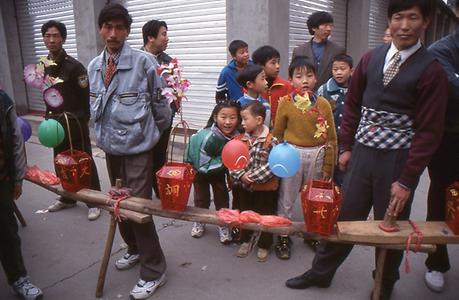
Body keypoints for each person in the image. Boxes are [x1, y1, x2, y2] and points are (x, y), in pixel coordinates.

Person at [284, 1, 449, 299]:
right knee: (345, 218)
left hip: (398, 161)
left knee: (392, 227)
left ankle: (384, 283)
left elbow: (429, 132)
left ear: (424, 22)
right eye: (398, 17)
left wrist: (407, 180)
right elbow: (353, 107)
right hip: (361, 155)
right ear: (390, 20)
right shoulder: (371, 58)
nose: (405, 25)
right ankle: (321, 272)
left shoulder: (431, 71)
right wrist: (346, 147)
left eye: (413, 17)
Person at [88, 4, 171, 299]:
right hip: (110, 147)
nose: (113, 34)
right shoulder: (94, 66)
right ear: (100, 29)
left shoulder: (144, 62)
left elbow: (163, 107)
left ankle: (154, 270)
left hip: (138, 148)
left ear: (127, 30)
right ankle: (135, 249)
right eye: (107, 27)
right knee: (118, 205)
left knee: (137, 208)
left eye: (119, 27)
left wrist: (150, 137)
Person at [273, 57, 337, 260]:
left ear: (316, 78)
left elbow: (332, 138)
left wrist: (328, 165)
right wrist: (277, 161)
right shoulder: (285, 103)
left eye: (309, 75)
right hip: (291, 153)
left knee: (314, 197)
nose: (305, 80)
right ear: (291, 80)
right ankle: (284, 234)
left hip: (317, 153)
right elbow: (278, 133)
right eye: (299, 76)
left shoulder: (324, 104)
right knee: (287, 196)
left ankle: (312, 232)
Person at [42, 20, 102, 221]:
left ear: (63, 38)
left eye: (56, 35)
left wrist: (81, 122)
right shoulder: (44, 66)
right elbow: (47, 94)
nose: (52, 40)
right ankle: (67, 197)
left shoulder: (75, 67)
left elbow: (85, 98)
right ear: (44, 39)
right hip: (55, 124)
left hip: (75, 123)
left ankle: (94, 201)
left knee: (83, 160)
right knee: (60, 161)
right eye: (48, 36)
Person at [423, 26, 459, 293]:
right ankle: (436, 261)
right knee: (442, 197)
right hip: (449, 139)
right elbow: (452, 89)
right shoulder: (441, 50)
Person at [0, 90, 43, 299]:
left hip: (1, 181)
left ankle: (19, 279)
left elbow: (16, 140)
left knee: (7, 234)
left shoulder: (3, 100)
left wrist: (18, 178)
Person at [230, 101, 279, 262]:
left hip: (265, 189)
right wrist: (240, 175)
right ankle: (246, 239)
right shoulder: (239, 139)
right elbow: (231, 160)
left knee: (265, 216)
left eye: (245, 119)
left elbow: (274, 165)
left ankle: (264, 244)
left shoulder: (272, 141)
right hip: (245, 187)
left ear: (258, 120)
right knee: (245, 214)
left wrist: (252, 177)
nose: (241, 123)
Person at [185, 100, 240, 244]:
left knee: (222, 199)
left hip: (218, 173)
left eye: (232, 118)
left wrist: (229, 174)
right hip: (200, 171)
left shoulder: (236, 137)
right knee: (200, 198)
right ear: (215, 117)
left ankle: (223, 224)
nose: (228, 122)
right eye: (223, 117)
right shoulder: (205, 136)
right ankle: (199, 221)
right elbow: (193, 152)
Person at [141, 19, 174, 199]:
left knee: (160, 155)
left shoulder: (169, 62)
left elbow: (175, 90)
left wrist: (172, 109)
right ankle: (142, 191)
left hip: (164, 119)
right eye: (163, 34)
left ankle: (160, 190)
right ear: (150, 38)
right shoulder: (136, 59)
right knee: (143, 156)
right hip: (142, 119)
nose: (167, 38)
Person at [317, 54, 353, 186]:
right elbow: (317, 117)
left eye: (342, 69)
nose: (338, 72)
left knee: (347, 180)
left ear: (351, 70)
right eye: (335, 69)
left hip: (350, 144)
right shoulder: (324, 90)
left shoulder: (357, 90)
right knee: (327, 180)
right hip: (329, 144)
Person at [291, 11, 345, 88]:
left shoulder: (338, 50)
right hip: (304, 96)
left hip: (329, 96)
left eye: (331, 25)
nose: (329, 29)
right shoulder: (299, 51)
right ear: (313, 28)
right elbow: (294, 75)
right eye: (325, 25)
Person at [252, 45, 292, 125]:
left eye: (278, 62)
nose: (278, 66)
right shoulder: (252, 87)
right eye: (273, 63)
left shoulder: (287, 86)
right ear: (260, 66)